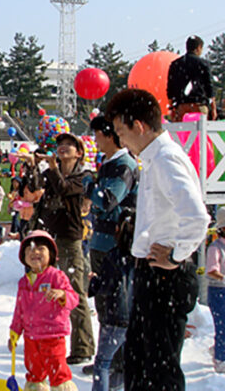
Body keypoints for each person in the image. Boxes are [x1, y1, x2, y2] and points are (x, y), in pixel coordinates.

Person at [106, 88, 210, 390]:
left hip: (165, 277)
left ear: (139, 126)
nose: (120, 141)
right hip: (152, 274)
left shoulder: (166, 159)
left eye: (121, 132)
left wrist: (176, 256)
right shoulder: (154, 159)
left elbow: (197, 217)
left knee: (159, 369)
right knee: (139, 362)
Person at [29, 133, 96, 364]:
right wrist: (34, 167)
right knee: (47, 290)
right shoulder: (52, 172)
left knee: (74, 292)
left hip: (69, 238)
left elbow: (64, 189)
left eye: (69, 145)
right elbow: (33, 189)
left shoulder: (84, 176)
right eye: (60, 145)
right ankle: (49, 339)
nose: (63, 148)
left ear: (79, 152)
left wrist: (51, 167)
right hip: (51, 236)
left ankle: (83, 347)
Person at [84, 115, 139, 377]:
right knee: (103, 304)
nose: (95, 141)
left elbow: (107, 200)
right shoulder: (107, 163)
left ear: (108, 135)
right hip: (101, 241)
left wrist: (88, 187)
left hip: (116, 246)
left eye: (97, 135)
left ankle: (116, 363)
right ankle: (105, 358)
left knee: (117, 306)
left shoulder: (124, 164)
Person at [8, 230, 79, 391]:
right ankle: (36, 387)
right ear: (24, 257)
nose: (35, 252)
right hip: (31, 337)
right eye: (30, 250)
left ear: (51, 254)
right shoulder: (24, 282)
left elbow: (74, 299)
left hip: (52, 336)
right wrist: (15, 331)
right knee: (34, 370)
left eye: (41, 248)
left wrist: (62, 294)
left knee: (57, 370)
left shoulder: (56, 276)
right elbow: (19, 309)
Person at [88, 208, 136, 391]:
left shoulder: (114, 256)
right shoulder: (141, 257)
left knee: (103, 362)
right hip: (134, 317)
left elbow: (106, 286)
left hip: (115, 316)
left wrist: (93, 282)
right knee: (127, 361)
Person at [167, 35, 217, 122]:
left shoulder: (175, 64)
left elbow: (170, 89)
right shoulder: (203, 64)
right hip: (199, 105)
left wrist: (172, 108)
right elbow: (209, 87)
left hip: (181, 106)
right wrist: (213, 108)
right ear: (198, 48)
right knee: (201, 133)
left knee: (180, 134)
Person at [207, 206, 225, 373]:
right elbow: (212, 270)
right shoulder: (215, 247)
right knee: (222, 326)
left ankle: (219, 350)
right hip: (219, 292)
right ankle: (221, 359)